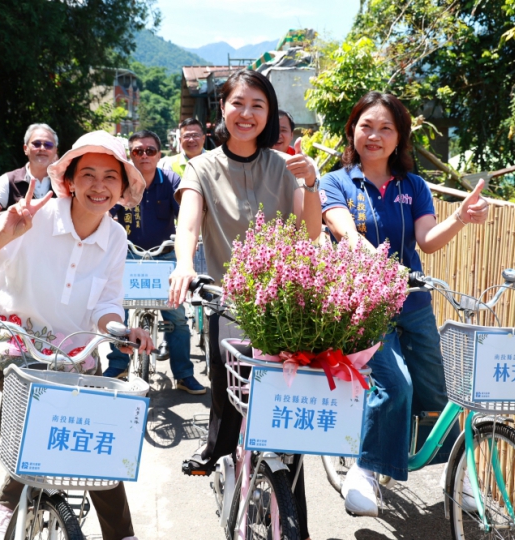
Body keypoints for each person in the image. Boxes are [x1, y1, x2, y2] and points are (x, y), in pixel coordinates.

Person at [0, 130, 153, 540]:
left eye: (110, 177)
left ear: (122, 188)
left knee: (97, 432)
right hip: (13, 345)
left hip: (74, 355)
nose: (99, 185)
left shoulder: (116, 237)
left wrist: (120, 330)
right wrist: (4, 233)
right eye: (88, 174)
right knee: (40, 417)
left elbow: (106, 305)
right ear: (70, 181)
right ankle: (1, 511)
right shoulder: (33, 217)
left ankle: (122, 535)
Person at [319, 91, 490, 517]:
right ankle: (364, 470)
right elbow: (345, 232)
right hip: (362, 305)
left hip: (413, 303)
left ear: (400, 137)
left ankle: (456, 476)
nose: (374, 135)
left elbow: (426, 241)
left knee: (437, 391)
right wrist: (375, 260)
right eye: (366, 126)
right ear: (352, 131)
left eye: (385, 128)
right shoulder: (335, 182)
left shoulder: (413, 186)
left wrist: (460, 217)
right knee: (395, 385)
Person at [167, 70, 322, 540]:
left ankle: (294, 523)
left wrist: (312, 183)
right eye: (238, 103)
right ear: (223, 109)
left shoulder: (287, 165)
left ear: (269, 113)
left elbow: (310, 233)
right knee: (228, 381)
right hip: (228, 298)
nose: (247, 113)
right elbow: (188, 224)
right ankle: (219, 450)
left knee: (288, 413)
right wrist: (183, 264)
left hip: (285, 304)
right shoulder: (201, 167)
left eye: (258, 105)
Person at [104, 129, 206, 395]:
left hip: (165, 256)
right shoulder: (122, 182)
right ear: (131, 155)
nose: (144, 155)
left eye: (150, 150)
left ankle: (184, 374)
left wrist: (189, 241)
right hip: (128, 256)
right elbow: (108, 213)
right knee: (118, 312)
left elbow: (186, 216)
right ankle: (117, 365)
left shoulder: (171, 180)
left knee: (177, 317)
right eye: (138, 151)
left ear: (159, 154)